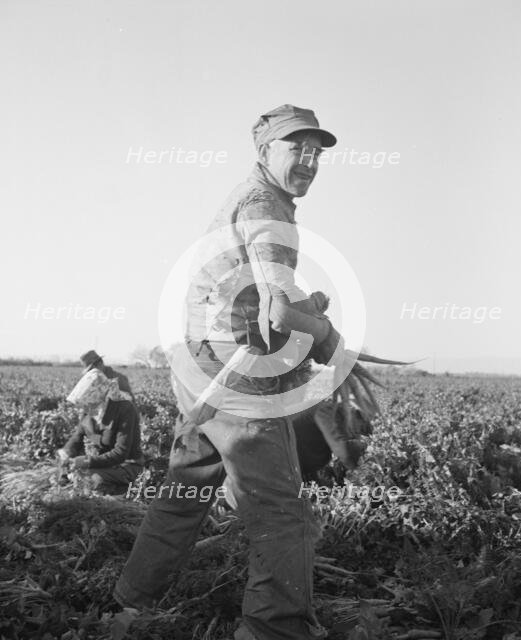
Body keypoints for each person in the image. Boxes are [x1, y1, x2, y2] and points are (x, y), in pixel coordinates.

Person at [114, 104, 376, 639]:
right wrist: (328, 340)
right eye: (294, 148)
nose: (308, 160)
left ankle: (127, 604)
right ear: (264, 152)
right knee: (282, 513)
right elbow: (278, 311)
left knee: (186, 490)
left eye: (315, 150)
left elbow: (264, 294)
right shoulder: (267, 207)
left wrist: (307, 309)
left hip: (197, 366)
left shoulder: (247, 198)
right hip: (234, 375)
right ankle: (273, 631)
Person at [58, 368, 144, 494]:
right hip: (104, 464)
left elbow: (120, 453)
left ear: (100, 396)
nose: (86, 408)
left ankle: (120, 491)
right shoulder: (89, 413)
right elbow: (77, 438)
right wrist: (66, 453)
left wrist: (88, 461)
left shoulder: (125, 409)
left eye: (89, 403)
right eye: (85, 404)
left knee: (89, 479)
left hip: (127, 464)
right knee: (70, 475)